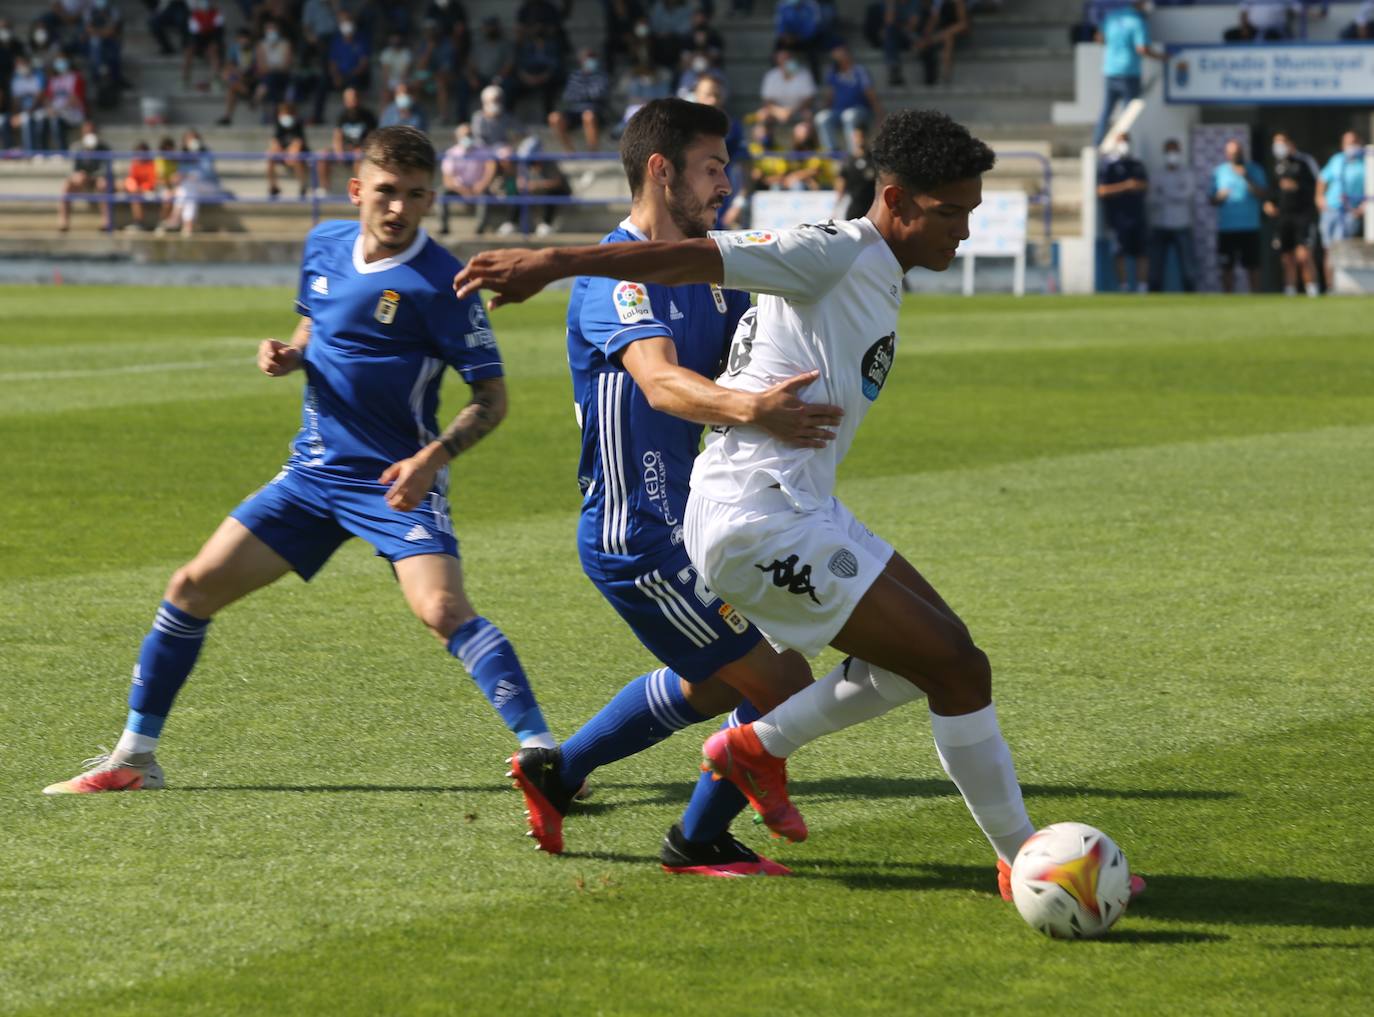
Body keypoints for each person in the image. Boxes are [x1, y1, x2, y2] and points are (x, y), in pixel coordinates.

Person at [453, 109, 1149, 903]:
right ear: (899, 200)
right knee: (930, 668)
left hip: (789, 505)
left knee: (924, 659)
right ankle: (980, 844)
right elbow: (684, 273)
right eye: (953, 211)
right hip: (733, 517)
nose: (964, 230)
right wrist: (552, 263)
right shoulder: (829, 250)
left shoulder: (866, 268)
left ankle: (708, 761)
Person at [44, 125, 560, 796]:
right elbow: (314, 320)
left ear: (432, 197)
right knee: (190, 587)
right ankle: (134, 758)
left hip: (394, 480)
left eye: (414, 195)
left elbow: (491, 399)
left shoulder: (443, 283)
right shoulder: (322, 244)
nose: (398, 208)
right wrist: (291, 353)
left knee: (442, 609)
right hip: (312, 476)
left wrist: (431, 459)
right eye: (385, 192)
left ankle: (547, 754)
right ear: (356, 190)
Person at [494, 98, 833, 872]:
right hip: (636, 534)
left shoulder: (711, 268)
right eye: (712, 166)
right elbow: (660, 382)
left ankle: (560, 771)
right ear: (661, 169)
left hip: (697, 524)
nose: (726, 181)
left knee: (714, 685)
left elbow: (760, 345)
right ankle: (697, 838)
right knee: (780, 683)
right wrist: (757, 411)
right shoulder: (616, 277)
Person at [1094, 0, 1161, 146]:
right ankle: (1120, 146)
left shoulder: (1112, 17)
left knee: (1106, 112)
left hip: (1110, 71)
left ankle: (1097, 144)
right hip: (1129, 73)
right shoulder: (1137, 21)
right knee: (1128, 115)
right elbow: (1142, 49)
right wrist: (1162, 57)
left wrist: (1115, 45)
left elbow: (1099, 38)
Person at [1264, 131, 1319, 297]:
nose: (1278, 147)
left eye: (1281, 142)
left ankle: (1312, 289)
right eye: (1275, 143)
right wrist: (1269, 203)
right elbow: (1273, 190)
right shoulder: (1277, 165)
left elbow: (1318, 184)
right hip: (1283, 217)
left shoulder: (1304, 161)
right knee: (1286, 257)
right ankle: (1290, 290)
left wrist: (1298, 186)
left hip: (1302, 215)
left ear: (1290, 143)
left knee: (1303, 255)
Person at [1210, 137, 1267, 293]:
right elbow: (1212, 199)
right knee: (1226, 266)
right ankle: (1228, 296)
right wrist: (1219, 197)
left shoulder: (1254, 169)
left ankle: (1255, 295)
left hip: (1250, 226)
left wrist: (1246, 176)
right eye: (1231, 153)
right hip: (1227, 227)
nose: (1234, 156)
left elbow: (1262, 193)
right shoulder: (1219, 172)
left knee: (1252, 265)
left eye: (1237, 152)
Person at [1096, 130, 1149, 292]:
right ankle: (1124, 286)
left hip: (1137, 216)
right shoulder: (1109, 165)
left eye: (1126, 140)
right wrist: (1125, 186)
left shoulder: (1137, 164)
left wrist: (1136, 186)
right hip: (1117, 218)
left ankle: (1142, 286)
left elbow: (1146, 185)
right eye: (1121, 140)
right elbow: (1102, 190)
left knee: (1142, 252)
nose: (1124, 144)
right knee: (1119, 253)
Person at [1317, 130, 1367, 290]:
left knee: (1342, 246)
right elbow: (1322, 179)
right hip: (1331, 209)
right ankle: (1330, 286)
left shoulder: (1366, 162)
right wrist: (1319, 197)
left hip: (1350, 212)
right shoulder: (1336, 160)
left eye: (1353, 142)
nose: (1350, 146)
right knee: (1329, 249)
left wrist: (1363, 208)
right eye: (1347, 143)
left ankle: (1342, 285)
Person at [1146, 137, 1197, 293]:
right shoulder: (1157, 173)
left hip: (1182, 224)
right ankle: (1154, 293)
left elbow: (1187, 195)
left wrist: (1165, 192)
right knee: (1156, 265)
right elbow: (1151, 198)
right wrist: (1174, 194)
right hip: (1160, 226)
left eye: (1174, 151)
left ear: (1180, 152)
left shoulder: (1187, 173)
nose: (1172, 154)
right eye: (1169, 151)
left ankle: (1190, 293)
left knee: (1187, 266)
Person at [814, 44, 880, 155]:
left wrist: (879, 114)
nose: (838, 59)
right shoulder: (833, 73)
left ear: (847, 55)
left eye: (841, 55)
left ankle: (853, 155)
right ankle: (832, 154)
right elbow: (830, 96)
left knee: (848, 116)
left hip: (860, 110)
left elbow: (870, 94)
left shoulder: (860, 71)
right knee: (821, 118)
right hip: (838, 111)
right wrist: (823, 108)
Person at [548, 47, 611, 152]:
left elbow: (599, 94)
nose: (590, 60)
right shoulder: (575, 75)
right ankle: (570, 152)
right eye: (587, 58)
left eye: (592, 57)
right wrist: (587, 93)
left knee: (588, 116)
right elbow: (568, 95)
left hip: (595, 111)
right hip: (574, 111)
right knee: (554, 118)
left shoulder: (602, 75)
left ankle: (593, 153)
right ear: (581, 60)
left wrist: (580, 93)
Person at [439, 123, 497, 234]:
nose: (467, 137)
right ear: (457, 137)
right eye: (464, 135)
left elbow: (491, 168)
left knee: (485, 196)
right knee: (442, 193)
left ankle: (480, 229)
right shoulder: (452, 153)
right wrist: (462, 190)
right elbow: (447, 179)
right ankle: (444, 227)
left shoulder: (482, 150)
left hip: (478, 187)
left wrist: (481, 185)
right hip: (458, 188)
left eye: (470, 134)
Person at [57, 119, 112, 232]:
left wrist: (93, 176)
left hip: (97, 179)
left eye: (91, 130)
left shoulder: (104, 147)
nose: (89, 133)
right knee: (67, 186)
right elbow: (72, 169)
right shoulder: (76, 147)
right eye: (87, 131)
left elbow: (105, 169)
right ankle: (64, 222)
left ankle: (107, 222)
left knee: (103, 184)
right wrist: (79, 174)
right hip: (81, 178)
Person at [755, 47, 815, 128]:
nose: (785, 61)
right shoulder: (770, 76)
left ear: (793, 59)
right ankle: (766, 140)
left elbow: (809, 100)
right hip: (777, 112)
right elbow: (767, 101)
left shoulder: (804, 74)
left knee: (808, 115)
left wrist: (791, 111)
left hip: (799, 111)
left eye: (787, 58)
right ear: (777, 60)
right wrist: (779, 111)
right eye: (782, 59)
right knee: (762, 115)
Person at [332, 86, 378, 189]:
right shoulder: (342, 116)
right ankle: (323, 190)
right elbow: (337, 136)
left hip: (361, 150)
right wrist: (339, 152)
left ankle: (360, 188)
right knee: (322, 155)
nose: (352, 101)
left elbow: (372, 137)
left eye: (354, 98)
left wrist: (363, 148)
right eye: (349, 98)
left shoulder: (368, 115)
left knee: (357, 156)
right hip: (346, 149)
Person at [914, 0, 968, 87]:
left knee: (948, 38)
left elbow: (963, 24)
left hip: (958, 31)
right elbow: (934, 19)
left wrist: (946, 32)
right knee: (936, 38)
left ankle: (946, 74)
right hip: (943, 31)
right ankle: (931, 75)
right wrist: (926, 33)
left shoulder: (958, 2)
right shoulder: (939, 2)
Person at [267, 100, 312, 199]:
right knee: (270, 156)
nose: (283, 116)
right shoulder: (279, 125)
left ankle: (302, 186)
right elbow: (275, 141)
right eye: (281, 113)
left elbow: (297, 144)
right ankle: (273, 187)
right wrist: (277, 151)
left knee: (295, 157)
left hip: (299, 156)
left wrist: (289, 154)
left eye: (286, 113)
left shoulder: (297, 125)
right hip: (284, 155)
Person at [833, 123, 877, 221]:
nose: (859, 139)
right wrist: (837, 206)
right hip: (854, 207)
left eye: (861, 136)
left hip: (871, 208)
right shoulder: (848, 161)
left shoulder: (874, 160)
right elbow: (841, 182)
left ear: (867, 137)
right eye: (856, 136)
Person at [182, 0, 225, 92]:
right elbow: (194, 35)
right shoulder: (195, 16)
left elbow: (219, 33)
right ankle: (185, 78)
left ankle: (215, 79)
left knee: (213, 50)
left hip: (212, 41)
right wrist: (199, 47)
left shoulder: (216, 14)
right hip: (199, 42)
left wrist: (215, 43)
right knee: (189, 51)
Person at [121, 140, 159, 231]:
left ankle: (139, 222)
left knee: (136, 196)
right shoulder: (135, 164)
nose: (140, 154)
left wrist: (142, 188)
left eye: (142, 152)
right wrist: (133, 187)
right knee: (131, 192)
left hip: (150, 190)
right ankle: (138, 222)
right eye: (138, 152)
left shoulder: (152, 164)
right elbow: (131, 178)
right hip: (137, 190)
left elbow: (152, 181)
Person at [1223, 0, 1295, 42]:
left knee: (1270, 37)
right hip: (1254, 28)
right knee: (1229, 34)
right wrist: (1244, 28)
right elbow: (1244, 12)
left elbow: (1298, 9)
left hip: (1276, 29)